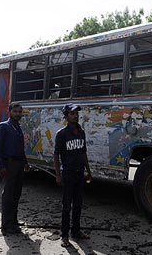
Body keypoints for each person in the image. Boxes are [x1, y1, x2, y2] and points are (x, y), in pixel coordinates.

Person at [54, 103, 92, 247]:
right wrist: (58, 175)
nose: (75, 116)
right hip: (68, 174)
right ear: (66, 116)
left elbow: (83, 153)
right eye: (72, 113)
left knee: (78, 205)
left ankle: (76, 232)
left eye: (76, 113)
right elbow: (56, 155)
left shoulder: (81, 132)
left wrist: (88, 171)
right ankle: (64, 236)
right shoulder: (62, 134)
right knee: (66, 206)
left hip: (79, 174)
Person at [0, 102, 29, 235]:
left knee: (16, 194)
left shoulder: (18, 127)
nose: (18, 114)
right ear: (9, 112)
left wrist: (25, 162)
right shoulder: (3, 127)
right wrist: (1, 166)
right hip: (9, 164)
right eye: (15, 111)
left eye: (20, 112)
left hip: (19, 164)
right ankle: (6, 225)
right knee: (8, 195)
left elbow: (20, 147)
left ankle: (13, 221)